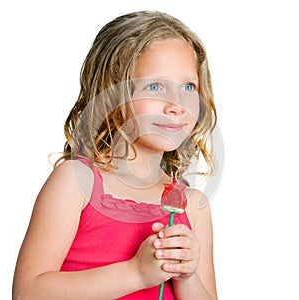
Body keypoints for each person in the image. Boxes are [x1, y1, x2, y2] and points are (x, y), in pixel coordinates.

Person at [13, 11, 218, 300]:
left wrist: (187, 274)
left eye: (188, 87)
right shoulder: (76, 182)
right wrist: (136, 273)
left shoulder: (194, 206)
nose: (177, 104)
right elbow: (28, 293)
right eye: (155, 86)